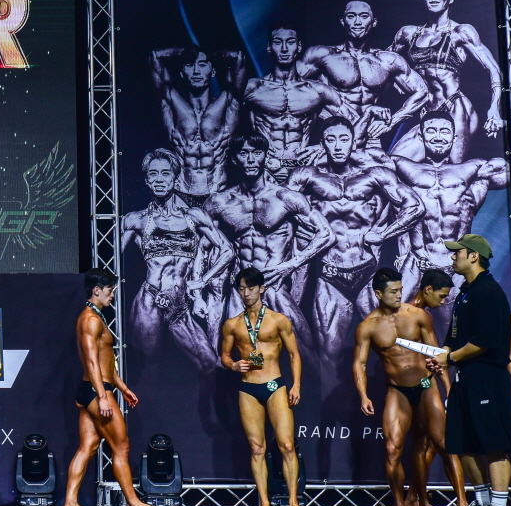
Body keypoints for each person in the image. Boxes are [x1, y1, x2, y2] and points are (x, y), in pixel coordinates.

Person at [287, 117, 424, 388]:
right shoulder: (307, 176)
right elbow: (278, 208)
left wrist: (383, 234)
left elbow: (415, 207)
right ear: (322, 143)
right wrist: (308, 230)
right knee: (329, 354)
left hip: (367, 275)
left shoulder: (374, 175)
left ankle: (400, 401)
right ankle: (332, 411)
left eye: (344, 139)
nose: (338, 146)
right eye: (331, 139)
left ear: (353, 142)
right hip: (329, 276)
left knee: (392, 347)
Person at [205, 135, 333, 357]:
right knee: (237, 358)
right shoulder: (219, 202)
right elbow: (202, 247)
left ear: (265, 155)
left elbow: (326, 234)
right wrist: (201, 289)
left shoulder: (285, 197)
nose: (251, 160)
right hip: (241, 288)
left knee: (305, 353)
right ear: (234, 158)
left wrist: (291, 264)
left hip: (273, 283)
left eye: (257, 153)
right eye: (244, 153)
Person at [426, 234, 511, 506]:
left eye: (458, 253)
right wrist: (441, 355)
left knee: (494, 444)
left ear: (474, 256)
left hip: (488, 378)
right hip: (465, 378)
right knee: (463, 442)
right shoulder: (466, 292)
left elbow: (484, 341)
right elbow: (455, 338)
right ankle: (482, 505)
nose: (453, 257)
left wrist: (450, 358)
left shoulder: (488, 292)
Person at [122, 149, 233, 373]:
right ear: (147, 180)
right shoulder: (136, 219)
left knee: (209, 364)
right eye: (153, 174)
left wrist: (202, 281)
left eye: (165, 173)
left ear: (175, 178)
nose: (159, 179)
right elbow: (111, 260)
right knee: (149, 368)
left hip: (179, 307)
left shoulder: (194, 216)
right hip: (150, 301)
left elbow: (227, 251)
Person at [61, 270, 160, 506]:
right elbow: (92, 362)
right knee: (121, 447)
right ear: (97, 290)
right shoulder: (91, 320)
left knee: (88, 446)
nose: (112, 295)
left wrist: (123, 388)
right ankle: (134, 505)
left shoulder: (94, 317)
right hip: (97, 391)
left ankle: (70, 503)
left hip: (91, 390)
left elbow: (106, 363)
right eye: (109, 290)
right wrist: (103, 396)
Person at [352, 268, 447, 506]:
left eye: (400, 290)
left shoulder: (417, 315)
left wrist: (448, 388)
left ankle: (431, 503)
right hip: (397, 390)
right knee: (393, 448)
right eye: (393, 291)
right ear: (378, 294)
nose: (399, 295)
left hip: (425, 385)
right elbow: (360, 363)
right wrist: (363, 395)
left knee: (440, 444)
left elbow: (437, 354)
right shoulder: (368, 326)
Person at [391, 112, 508, 310]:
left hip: (454, 264)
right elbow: (367, 165)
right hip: (417, 262)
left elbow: (508, 170)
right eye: (431, 131)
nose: (438, 137)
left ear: (454, 138)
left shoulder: (471, 169)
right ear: (421, 136)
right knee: (397, 319)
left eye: (444, 131)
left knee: (453, 324)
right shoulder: (403, 167)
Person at [220, 267, 307, 506]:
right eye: (241, 289)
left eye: (250, 288)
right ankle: (264, 504)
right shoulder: (232, 324)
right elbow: (224, 356)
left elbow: (294, 354)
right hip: (248, 387)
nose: (246, 293)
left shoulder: (278, 320)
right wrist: (233, 365)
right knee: (257, 448)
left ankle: (293, 502)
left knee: (287, 445)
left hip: (273, 385)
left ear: (262, 288)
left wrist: (296, 385)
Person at [390, 0, 505, 162]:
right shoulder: (408, 34)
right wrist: (397, 83)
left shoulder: (461, 32)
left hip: (455, 106)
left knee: (452, 169)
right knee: (393, 163)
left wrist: (494, 108)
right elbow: (381, 64)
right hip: (425, 111)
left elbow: (494, 70)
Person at [299, 0, 429, 151]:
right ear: (342, 21)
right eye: (351, 16)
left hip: (369, 136)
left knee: (384, 166)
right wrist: (322, 107)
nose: (357, 22)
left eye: (364, 16)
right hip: (332, 133)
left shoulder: (387, 60)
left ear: (374, 22)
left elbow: (422, 92)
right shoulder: (322, 55)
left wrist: (391, 122)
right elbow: (286, 84)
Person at [241, 26, 355, 182]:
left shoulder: (317, 91)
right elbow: (223, 128)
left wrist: (322, 147)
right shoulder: (253, 88)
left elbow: (353, 121)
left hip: (302, 169)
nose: (284, 48)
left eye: (290, 42)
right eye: (278, 42)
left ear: (299, 47)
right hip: (264, 170)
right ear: (269, 47)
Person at [405, 268, 468, 506]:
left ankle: (414, 498)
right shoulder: (417, 314)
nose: (442, 302)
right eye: (441, 296)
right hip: (419, 386)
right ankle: (462, 504)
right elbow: (436, 358)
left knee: (425, 443)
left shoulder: (416, 313)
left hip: (419, 385)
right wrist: (449, 389)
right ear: (427, 290)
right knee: (443, 443)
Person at [149, 47, 246, 202]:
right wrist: (185, 51)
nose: (196, 71)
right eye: (189, 65)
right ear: (182, 73)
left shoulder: (227, 102)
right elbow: (155, 57)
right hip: (180, 194)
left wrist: (211, 52)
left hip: (216, 194)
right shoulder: (171, 101)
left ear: (212, 72)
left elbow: (238, 58)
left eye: (202, 64)